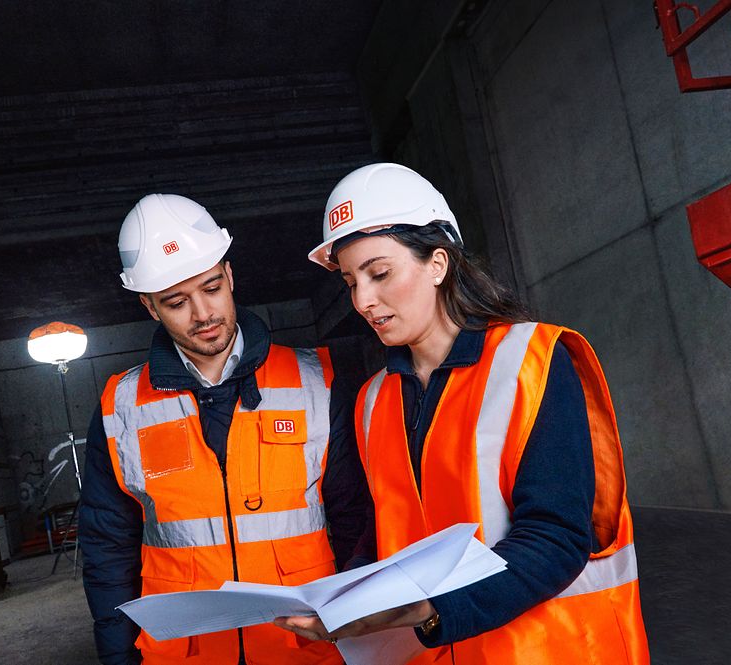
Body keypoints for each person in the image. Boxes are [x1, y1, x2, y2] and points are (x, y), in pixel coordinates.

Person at [275, 163, 649, 663]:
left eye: (379, 273)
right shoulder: (372, 400)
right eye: (349, 281)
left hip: (544, 650)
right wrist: (343, 600)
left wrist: (428, 609)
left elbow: (557, 536)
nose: (363, 300)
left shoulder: (531, 360)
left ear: (437, 263)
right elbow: (384, 529)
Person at [79, 193, 368, 665]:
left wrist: (359, 633)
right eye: (176, 302)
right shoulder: (122, 406)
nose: (202, 314)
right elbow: (108, 548)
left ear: (230, 276)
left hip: (302, 650)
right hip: (186, 655)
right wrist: (117, 656)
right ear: (150, 308)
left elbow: (356, 521)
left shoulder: (318, 381)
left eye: (212, 288)